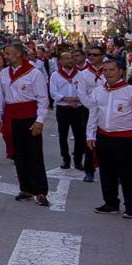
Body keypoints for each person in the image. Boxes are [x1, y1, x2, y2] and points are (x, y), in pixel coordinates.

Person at [0, 42, 51, 207]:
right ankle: (25, 188)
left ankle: (40, 191)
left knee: (34, 154)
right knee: (18, 155)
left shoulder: (34, 73)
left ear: (18, 54)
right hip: (11, 117)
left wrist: (40, 120)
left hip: (29, 117)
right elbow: (0, 96)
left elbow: (43, 98)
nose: (5, 56)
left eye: (8, 53)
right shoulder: (4, 73)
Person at [87, 58, 132, 217]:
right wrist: (90, 135)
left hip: (125, 138)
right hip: (103, 137)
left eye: (112, 70)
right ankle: (111, 203)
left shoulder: (129, 91)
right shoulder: (98, 91)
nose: (108, 73)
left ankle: (131, 207)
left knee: (127, 174)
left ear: (120, 71)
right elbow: (93, 115)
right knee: (106, 173)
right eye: (105, 70)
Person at [50, 49, 94, 181]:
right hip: (63, 108)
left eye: (71, 58)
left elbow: (85, 91)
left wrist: (78, 100)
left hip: (78, 108)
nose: (70, 60)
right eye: (67, 58)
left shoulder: (80, 74)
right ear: (61, 61)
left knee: (80, 135)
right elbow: (53, 92)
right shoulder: (55, 75)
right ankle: (66, 159)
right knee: (62, 135)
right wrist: (66, 99)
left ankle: (78, 160)